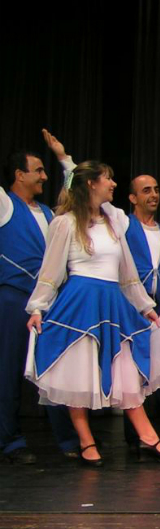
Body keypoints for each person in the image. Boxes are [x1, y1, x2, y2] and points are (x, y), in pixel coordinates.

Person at [46, 132, 160, 455]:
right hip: (90, 302)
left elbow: (142, 277)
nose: (154, 195)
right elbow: (52, 268)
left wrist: (155, 307)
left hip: (133, 303)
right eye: (146, 190)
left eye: (157, 189)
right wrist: (64, 159)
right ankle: (93, 440)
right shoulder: (113, 221)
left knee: (142, 370)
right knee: (83, 368)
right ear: (131, 198)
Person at [25, 160, 160, 467]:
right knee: (78, 370)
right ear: (91, 184)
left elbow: (127, 273)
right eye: (108, 178)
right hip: (80, 302)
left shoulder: (113, 222)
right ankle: (86, 441)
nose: (113, 184)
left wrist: (144, 306)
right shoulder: (66, 223)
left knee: (125, 369)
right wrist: (38, 306)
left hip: (112, 302)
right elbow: (51, 271)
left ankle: (147, 436)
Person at [0, 146, 79, 464]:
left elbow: (75, 191)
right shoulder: (6, 204)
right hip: (15, 297)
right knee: (8, 368)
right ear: (19, 175)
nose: (45, 177)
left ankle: (68, 438)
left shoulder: (49, 214)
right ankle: (10, 441)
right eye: (38, 171)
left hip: (47, 302)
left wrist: (64, 159)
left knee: (53, 369)